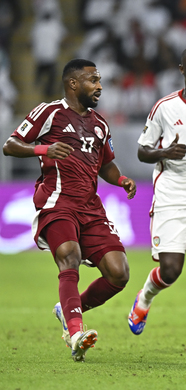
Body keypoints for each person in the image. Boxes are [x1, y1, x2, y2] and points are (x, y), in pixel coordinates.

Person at [2, 59, 136, 362]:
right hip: (57, 202)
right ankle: (75, 333)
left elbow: (106, 164)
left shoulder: (100, 124)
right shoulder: (48, 113)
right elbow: (10, 145)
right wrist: (43, 149)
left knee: (119, 273)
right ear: (73, 84)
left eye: (99, 80)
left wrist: (122, 179)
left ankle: (68, 310)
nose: (99, 86)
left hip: (91, 208)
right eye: (93, 80)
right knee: (70, 257)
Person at [127, 46, 186, 353]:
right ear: (181, 70)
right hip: (171, 194)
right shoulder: (165, 107)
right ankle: (143, 299)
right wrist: (164, 153)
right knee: (170, 270)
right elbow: (143, 150)